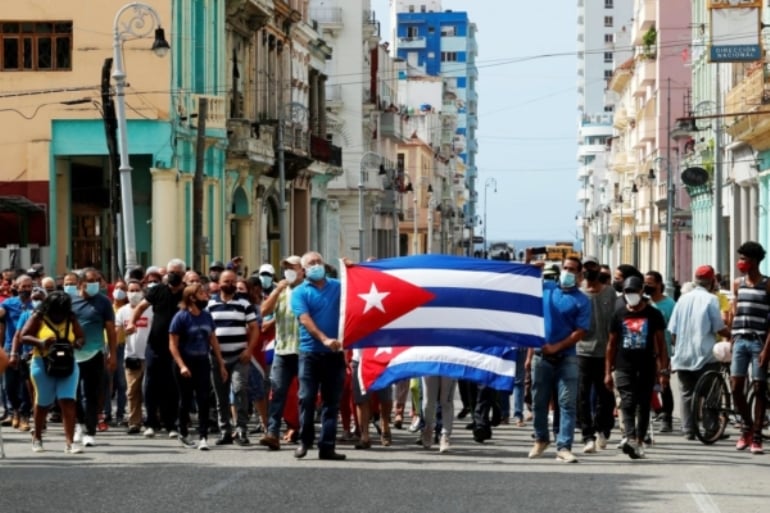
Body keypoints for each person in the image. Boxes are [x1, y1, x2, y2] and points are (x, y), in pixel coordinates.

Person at [527, 252, 591, 463]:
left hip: (567, 358)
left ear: (580, 275)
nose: (568, 273)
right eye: (566, 268)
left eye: (573, 270)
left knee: (566, 403)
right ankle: (541, 439)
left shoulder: (582, 300)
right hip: (540, 357)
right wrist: (529, 267)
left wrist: (557, 347)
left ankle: (564, 446)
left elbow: (580, 331)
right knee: (539, 402)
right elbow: (522, 287)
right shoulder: (547, 289)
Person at [605, 276, 668, 459]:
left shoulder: (653, 315)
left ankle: (640, 440)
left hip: (646, 366)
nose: (631, 295)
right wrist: (607, 372)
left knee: (642, 404)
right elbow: (611, 345)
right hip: (623, 366)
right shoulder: (618, 315)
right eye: (627, 292)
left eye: (634, 291)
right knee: (627, 401)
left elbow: (661, 344)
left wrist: (663, 370)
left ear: (642, 291)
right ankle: (630, 438)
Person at [291, 251, 346, 460]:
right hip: (310, 353)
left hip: (335, 354)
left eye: (318, 262)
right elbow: (305, 319)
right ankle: (305, 441)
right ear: (304, 270)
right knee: (306, 398)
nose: (316, 265)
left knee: (332, 401)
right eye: (311, 263)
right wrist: (324, 339)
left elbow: (356, 299)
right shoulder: (299, 292)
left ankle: (327, 446)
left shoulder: (338, 287)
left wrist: (352, 270)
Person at [668, 265, 731, 440]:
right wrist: (732, 335)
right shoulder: (711, 300)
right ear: (712, 282)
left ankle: (688, 429)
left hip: (683, 355)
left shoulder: (682, 299)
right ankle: (711, 428)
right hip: (705, 355)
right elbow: (719, 327)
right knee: (710, 393)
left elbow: (672, 330)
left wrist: (678, 347)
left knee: (687, 393)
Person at [19, 291, 85, 453]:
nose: (59, 315)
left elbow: (81, 337)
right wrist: (41, 342)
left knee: (68, 400)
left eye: (62, 311)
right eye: (57, 311)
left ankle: (70, 442)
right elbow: (23, 336)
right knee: (43, 403)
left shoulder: (71, 317)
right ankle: (37, 438)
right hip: (42, 363)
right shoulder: (38, 317)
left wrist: (76, 344)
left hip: (67, 363)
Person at [127, 259, 186, 438]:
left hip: (177, 347)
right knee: (151, 384)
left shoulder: (186, 293)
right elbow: (141, 307)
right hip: (155, 345)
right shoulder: (158, 290)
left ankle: (171, 425)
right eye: (169, 272)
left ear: (183, 274)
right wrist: (132, 322)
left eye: (176, 272)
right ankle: (150, 422)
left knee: (172, 386)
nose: (172, 275)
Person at [169, 284, 228, 450]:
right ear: (192, 297)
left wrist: (221, 363)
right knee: (185, 399)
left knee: (203, 399)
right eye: (202, 293)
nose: (206, 296)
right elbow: (172, 345)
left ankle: (203, 436)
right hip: (185, 362)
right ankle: (183, 433)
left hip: (202, 361)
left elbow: (213, 340)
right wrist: (181, 366)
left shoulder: (206, 316)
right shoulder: (180, 317)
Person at [208, 269, 260, 446]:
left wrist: (249, 350)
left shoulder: (244, 304)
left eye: (232, 281)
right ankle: (225, 431)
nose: (229, 284)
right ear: (219, 282)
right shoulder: (210, 305)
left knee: (239, 390)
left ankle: (242, 430)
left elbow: (254, 328)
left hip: (239, 357)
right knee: (220, 396)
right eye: (226, 281)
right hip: (217, 358)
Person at [68, 269, 117, 448]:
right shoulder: (70, 301)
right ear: (80, 284)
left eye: (97, 280)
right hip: (72, 355)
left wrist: (113, 354)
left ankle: (90, 431)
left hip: (95, 353)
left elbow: (111, 330)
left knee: (90, 394)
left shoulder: (103, 302)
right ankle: (79, 425)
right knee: (72, 394)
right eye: (91, 280)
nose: (96, 283)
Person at [259, 256, 303, 450]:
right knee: (277, 392)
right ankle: (273, 432)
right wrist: (277, 290)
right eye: (286, 267)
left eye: (292, 267)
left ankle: (301, 428)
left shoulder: (308, 289)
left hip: (304, 350)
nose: (289, 271)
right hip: (283, 350)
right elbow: (263, 311)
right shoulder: (281, 291)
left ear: (302, 270)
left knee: (305, 394)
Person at [731, 241, 770, 454]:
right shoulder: (738, 284)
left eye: (745, 259)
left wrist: (766, 349)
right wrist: (731, 336)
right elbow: (735, 310)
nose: (741, 262)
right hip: (740, 340)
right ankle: (746, 425)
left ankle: (756, 435)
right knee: (736, 386)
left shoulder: (767, 284)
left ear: (755, 261)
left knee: (759, 387)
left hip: (759, 342)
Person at [577, 256, 616, 453]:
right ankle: (587, 435)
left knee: (606, 396)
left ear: (599, 268)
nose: (589, 270)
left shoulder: (610, 292)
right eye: (586, 267)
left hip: (606, 352)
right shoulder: (579, 293)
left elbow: (616, 322)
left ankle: (604, 429)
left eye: (592, 266)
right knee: (583, 396)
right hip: (582, 351)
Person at [115, 280, 152, 434]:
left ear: (143, 292)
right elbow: (117, 331)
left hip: (148, 355)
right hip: (131, 355)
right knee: (132, 391)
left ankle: (151, 420)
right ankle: (134, 422)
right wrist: (123, 332)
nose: (134, 293)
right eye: (131, 290)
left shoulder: (150, 310)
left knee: (148, 390)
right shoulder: (122, 311)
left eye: (137, 290)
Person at [644, 270, 676, 433]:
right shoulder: (645, 303)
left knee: (664, 384)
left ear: (658, 284)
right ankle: (652, 413)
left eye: (650, 282)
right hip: (647, 350)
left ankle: (667, 418)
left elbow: (675, 329)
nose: (646, 285)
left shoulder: (669, 304)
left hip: (664, 350)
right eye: (645, 282)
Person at [1, 274, 34, 431]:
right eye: (23, 286)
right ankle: (14, 410)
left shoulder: (36, 305)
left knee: (26, 384)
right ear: (16, 287)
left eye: (29, 286)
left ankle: (24, 415)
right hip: (10, 349)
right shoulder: (8, 303)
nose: (26, 289)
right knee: (10, 385)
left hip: (30, 350)